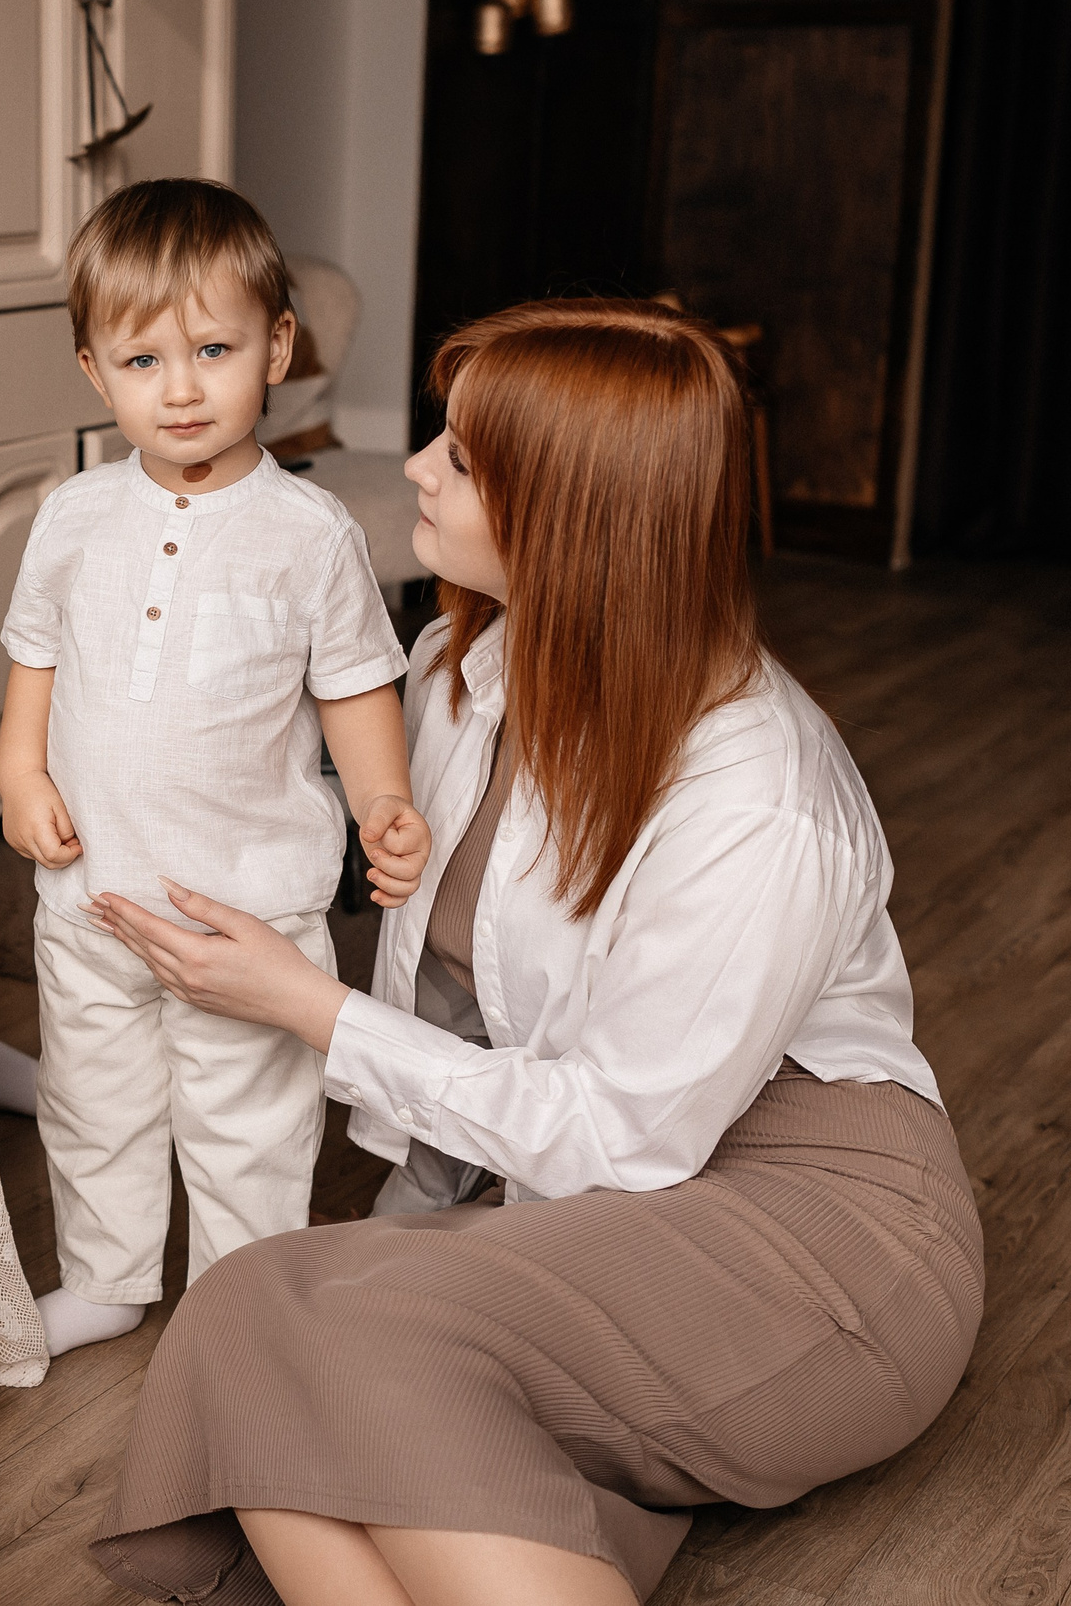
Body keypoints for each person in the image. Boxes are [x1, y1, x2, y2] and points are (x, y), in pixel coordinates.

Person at [83, 298, 983, 1606]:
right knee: (252, 1304)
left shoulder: (757, 795)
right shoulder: (466, 663)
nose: (416, 468)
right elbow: (456, 994)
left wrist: (311, 1009)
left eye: (461, 456)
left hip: (811, 1223)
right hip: (580, 1173)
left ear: (577, 516)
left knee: (348, 1339)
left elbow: (629, 1132)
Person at [0, 179, 430, 1359]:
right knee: (97, 1103)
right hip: (92, 896)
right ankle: (107, 1274)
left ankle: (241, 1308)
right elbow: (35, 651)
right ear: (94, 371)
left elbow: (351, 686)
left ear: (276, 347)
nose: (179, 388)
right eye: (141, 361)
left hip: (249, 910)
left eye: (213, 349)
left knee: (246, 1122)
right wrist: (18, 767)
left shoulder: (310, 533)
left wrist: (383, 799)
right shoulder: (73, 516)